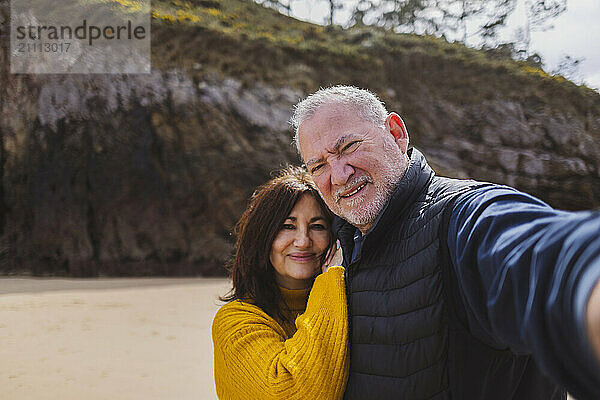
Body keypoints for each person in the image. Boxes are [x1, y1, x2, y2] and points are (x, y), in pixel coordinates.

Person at [291, 85, 600, 400]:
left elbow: (542, 256)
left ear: (396, 134)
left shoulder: (462, 216)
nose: (339, 175)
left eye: (349, 147)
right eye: (319, 166)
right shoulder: (331, 247)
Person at [212, 166, 349, 400]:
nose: (303, 241)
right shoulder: (235, 322)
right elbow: (295, 392)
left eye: (317, 226)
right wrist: (332, 275)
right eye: (288, 226)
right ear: (263, 236)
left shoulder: (349, 303)